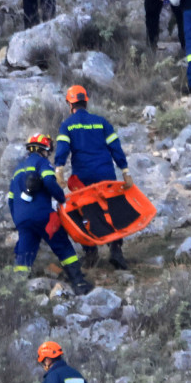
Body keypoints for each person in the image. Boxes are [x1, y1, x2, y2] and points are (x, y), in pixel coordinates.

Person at [53, 86, 132, 270]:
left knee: (85, 212)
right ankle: (116, 250)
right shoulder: (101, 122)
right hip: (106, 175)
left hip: (83, 178)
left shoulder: (68, 125)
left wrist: (59, 170)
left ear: (70, 104)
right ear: (86, 102)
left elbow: (63, 150)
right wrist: (125, 171)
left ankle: (90, 253)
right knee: (111, 210)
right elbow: (116, 148)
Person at [10, 133, 94, 296]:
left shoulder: (17, 169)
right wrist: (61, 198)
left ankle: (16, 293)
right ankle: (79, 283)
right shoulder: (42, 163)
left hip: (22, 219)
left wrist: (19, 220)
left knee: (24, 253)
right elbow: (49, 181)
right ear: (45, 149)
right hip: (42, 215)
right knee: (62, 245)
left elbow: (11, 199)